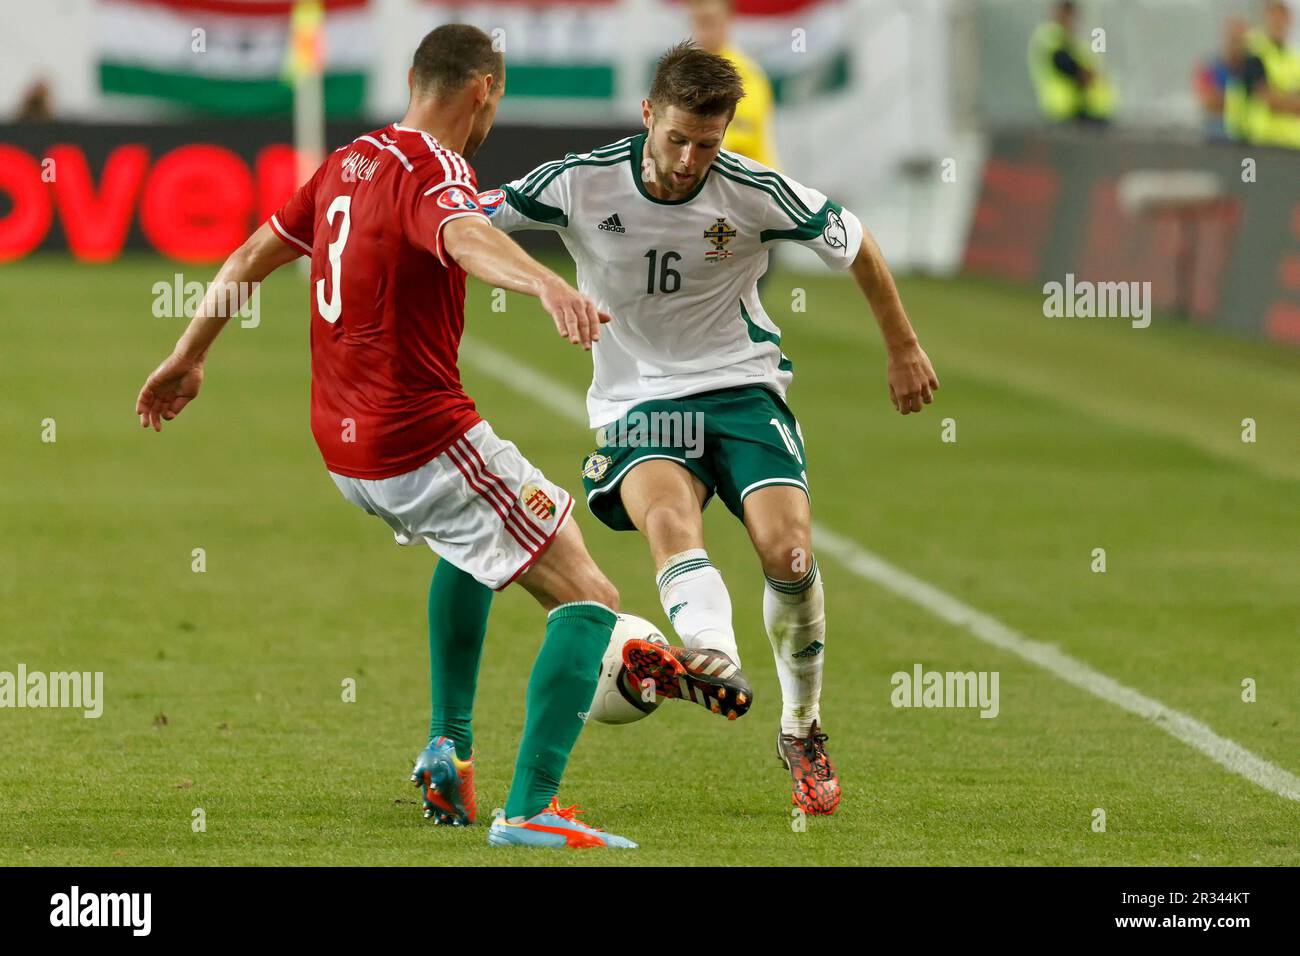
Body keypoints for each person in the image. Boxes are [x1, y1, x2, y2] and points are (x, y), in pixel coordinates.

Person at [134, 24, 639, 850]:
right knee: (591, 597)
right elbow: (465, 234)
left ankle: (451, 747)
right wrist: (545, 280)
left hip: (343, 450)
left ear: (413, 78)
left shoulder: (347, 160)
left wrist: (188, 357)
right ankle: (533, 810)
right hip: (420, 439)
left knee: (471, 547)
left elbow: (252, 255)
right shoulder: (435, 168)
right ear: (484, 91)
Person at [479, 42, 939, 816]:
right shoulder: (580, 181)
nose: (691, 159)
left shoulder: (752, 191)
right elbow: (468, 221)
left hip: (741, 387)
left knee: (788, 553)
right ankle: (711, 655)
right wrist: (541, 282)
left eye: (709, 143)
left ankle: (801, 727)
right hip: (638, 402)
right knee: (667, 514)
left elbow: (855, 242)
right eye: (679, 139)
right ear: (649, 114)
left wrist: (902, 345)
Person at [687, 0, 777, 169]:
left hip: (750, 182)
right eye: (700, 21)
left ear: (729, 19)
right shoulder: (681, 74)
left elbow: (738, 143)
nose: (706, 30)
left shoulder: (747, 75)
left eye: (711, 21)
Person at [1027, 0, 1116, 125]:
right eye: (1066, 15)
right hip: (1063, 110)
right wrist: (1083, 73)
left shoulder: (1072, 41)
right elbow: (1062, 62)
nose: (1069, 20)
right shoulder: (1050, 37)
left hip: (1083, 110)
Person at [1230, 1, 1300, 148]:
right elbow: (1266, 97)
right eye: (1274, 18)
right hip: (1260, 144)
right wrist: (1292, 101)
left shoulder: (1294, 59)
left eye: (1282, 18)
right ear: (1265, 19)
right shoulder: (1254, 53)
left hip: (1292, 145)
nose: (1279, 23)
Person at [1196, 17, 1247, 141]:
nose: (1237, 45)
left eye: (1240, 40)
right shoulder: (1210, 67)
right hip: (1216, 136)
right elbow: (1207, 101)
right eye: (1234, 39)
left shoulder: (1251, 68)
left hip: (1246, 137)